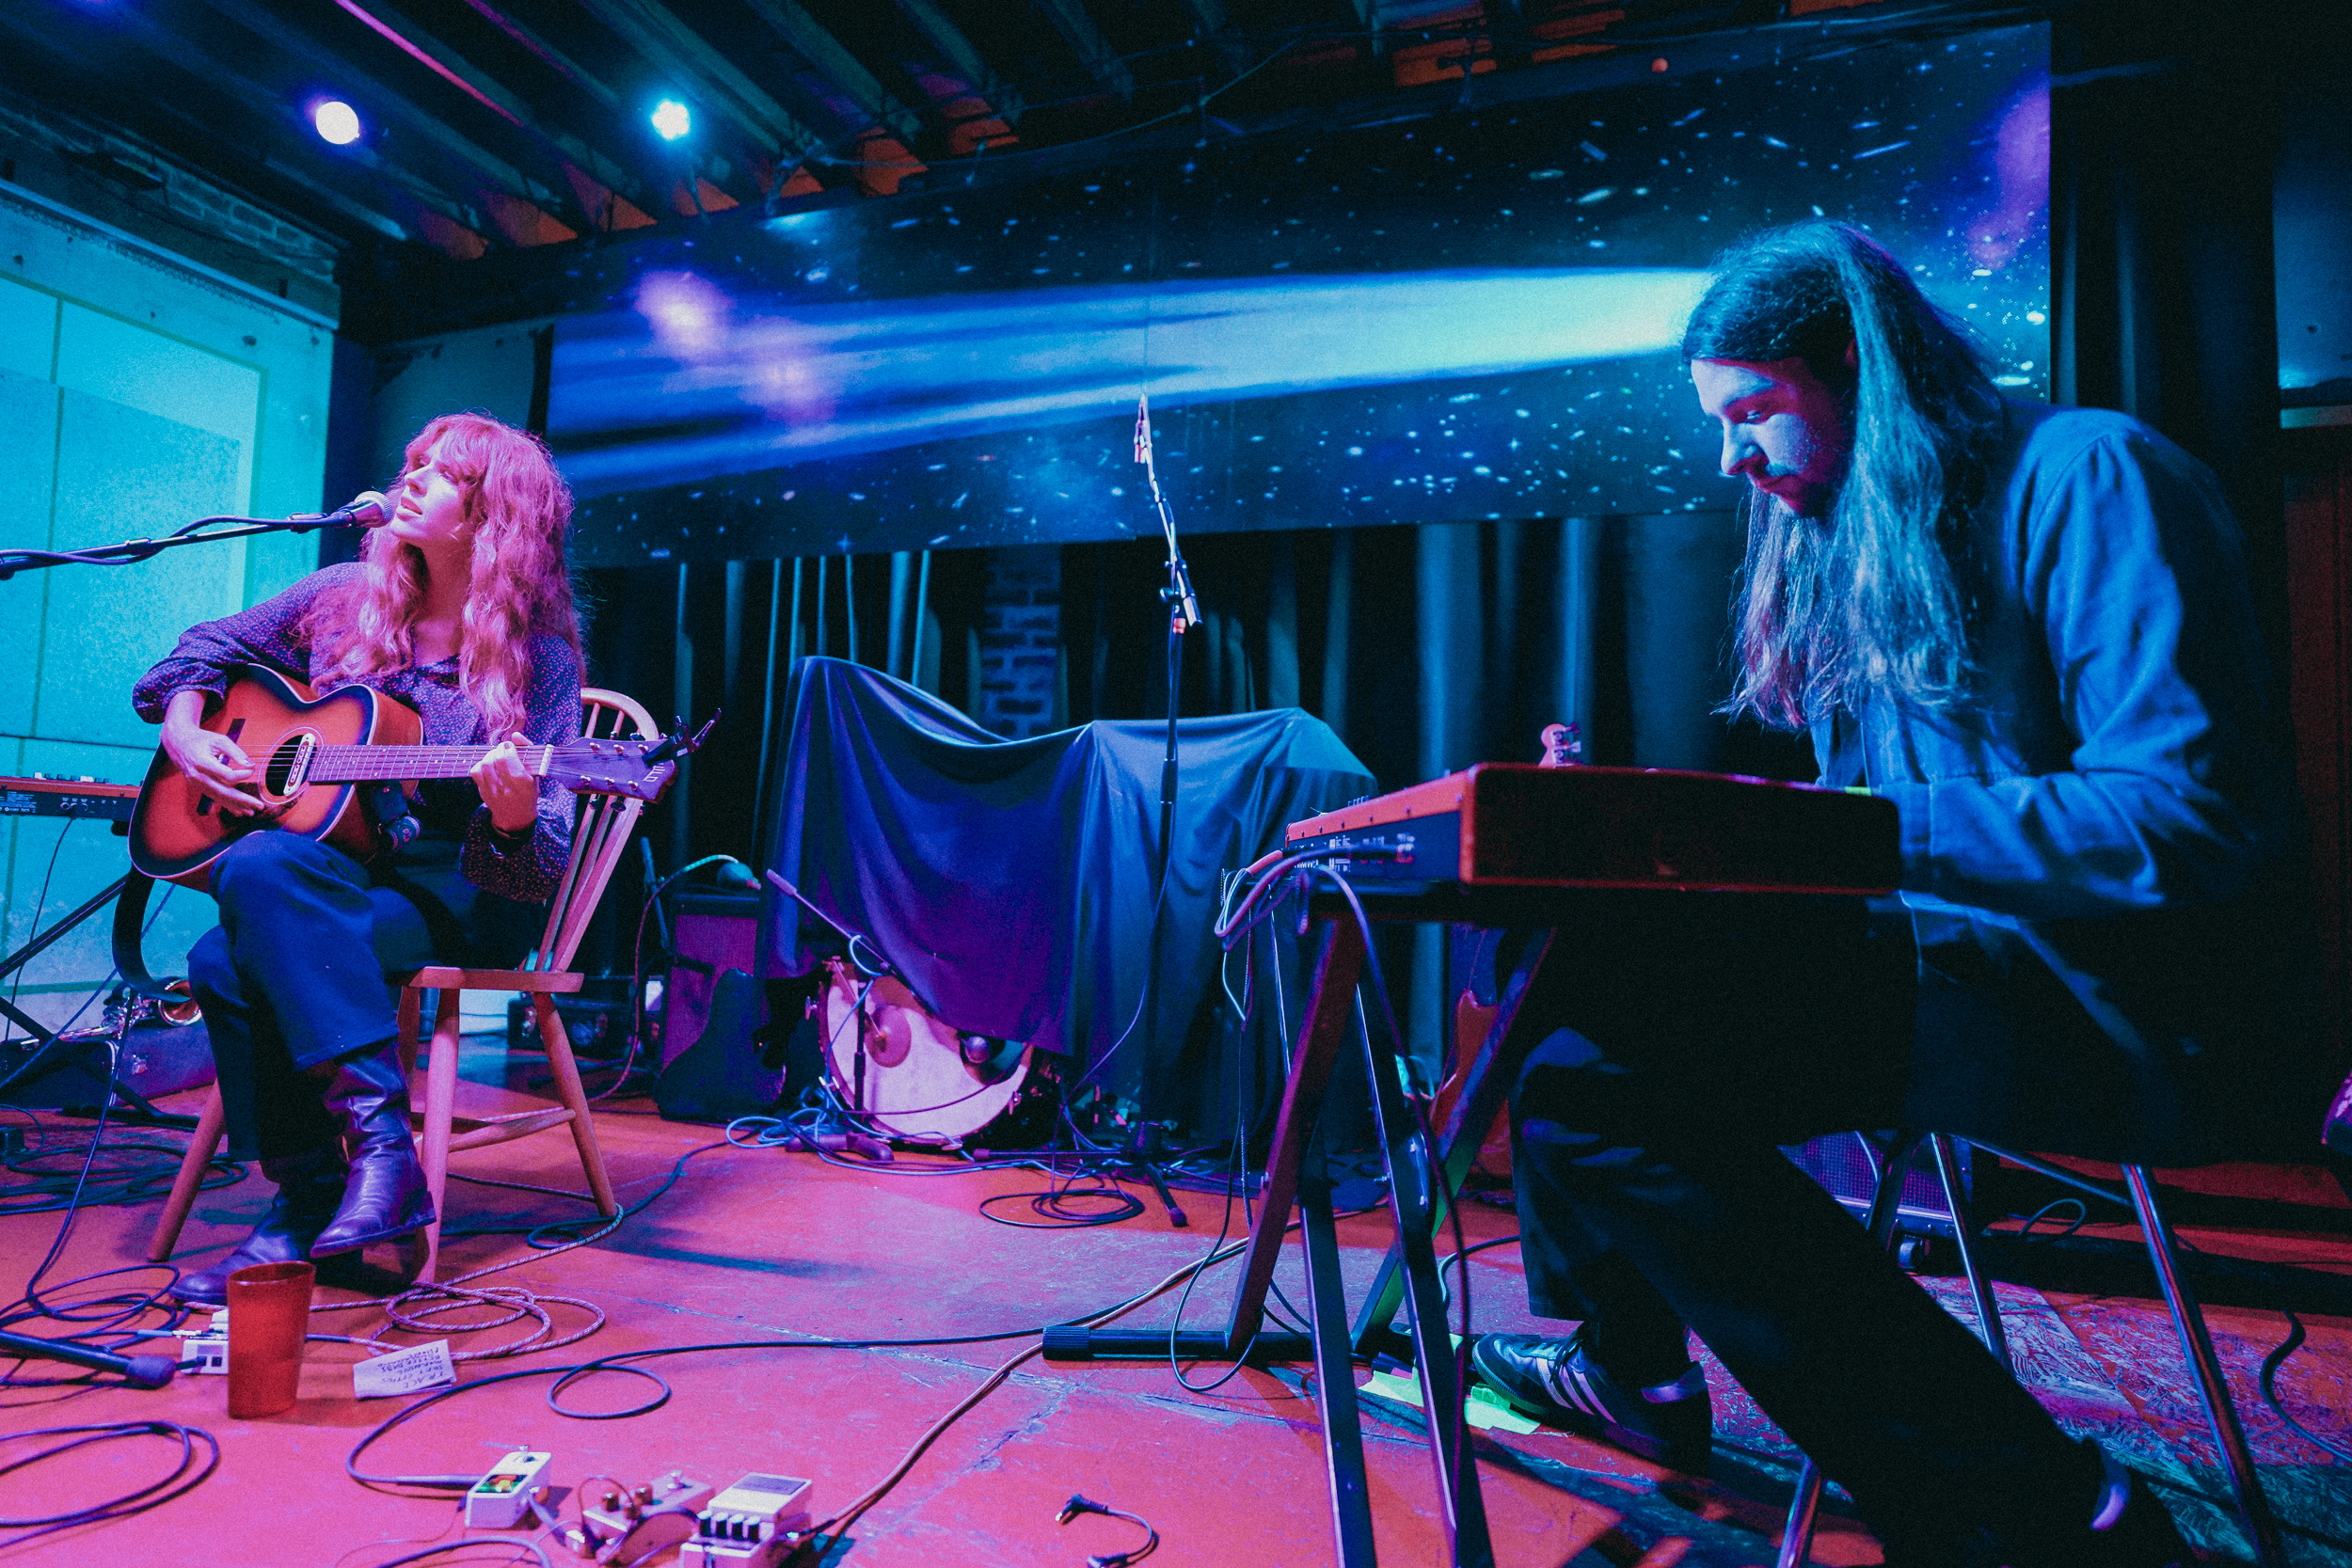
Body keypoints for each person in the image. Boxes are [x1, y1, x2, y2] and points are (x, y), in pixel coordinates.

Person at [1463, 222, 2311, 1565]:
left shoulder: (2091, 474)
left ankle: (2052, 1509)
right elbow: (1879, 856)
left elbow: (2182, 816)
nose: (1731, 460)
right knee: (1568, 973)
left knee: (1597, 1079)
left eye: (1753, 412)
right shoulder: (1864, 538)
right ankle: (1637, 1369)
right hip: (1967, 977)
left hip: (2125, 1009)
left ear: (1861, 367)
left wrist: (1843, 837)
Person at [135, 413, 583, 1307]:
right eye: (410, 462)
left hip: (456, 886)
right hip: (333, 872)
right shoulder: (344, 593)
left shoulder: (539, 658)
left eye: (439, 472)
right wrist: (186, 730)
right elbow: (202, 647)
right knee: (252, 894)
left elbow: (535, 868)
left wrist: (511, 815)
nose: (409, 478)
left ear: (491, 512)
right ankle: (362, 1167)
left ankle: (316, 1196)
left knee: (231, 944)